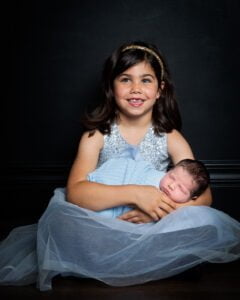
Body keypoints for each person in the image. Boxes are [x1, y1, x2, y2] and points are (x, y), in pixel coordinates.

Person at [0, 41, 239, 291]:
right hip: (107, 221)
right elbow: (76, 192)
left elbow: (205, 196)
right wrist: (136, 193)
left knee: (201, 219)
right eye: (125, 79)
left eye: (146, 80)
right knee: (61, 218)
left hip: (151, 224)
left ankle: (152, 259)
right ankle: (117, 261)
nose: (136, 89)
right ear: (111, 87)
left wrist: (158, 210)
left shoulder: (170, 136)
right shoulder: (96, 136)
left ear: (160, 89)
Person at [87, 147, 210, 219]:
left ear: (192, 198)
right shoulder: (153, 177)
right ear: (169, 171)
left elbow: (206, 199)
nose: (171, 186)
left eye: (181, 189)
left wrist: (163, 213)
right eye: (172, 177)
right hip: (112, 189)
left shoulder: (182, 209)